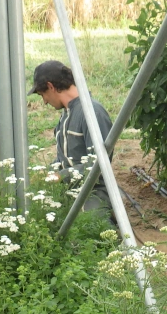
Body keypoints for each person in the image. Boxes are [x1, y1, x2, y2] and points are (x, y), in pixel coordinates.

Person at [28, 60, 114, 214]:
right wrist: (45, 173)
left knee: (88, 227)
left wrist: (59, 176)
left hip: (94, 191)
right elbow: (64, 159)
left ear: (51, 87)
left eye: (43, 95)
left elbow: (100, 165)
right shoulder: (66, 115)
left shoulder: (92, 112)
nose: (45, 102)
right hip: (69, 188)